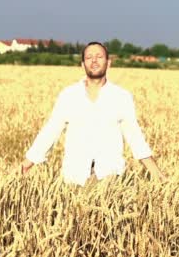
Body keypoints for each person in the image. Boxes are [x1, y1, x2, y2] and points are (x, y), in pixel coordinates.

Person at [19, 41, 166, 186]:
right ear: (82, 65)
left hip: (110, 177)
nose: (94, 61)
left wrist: (158, 176)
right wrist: (27, 163)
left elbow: (135, 137)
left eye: (99, 57)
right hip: (74, 177)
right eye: (89, 58)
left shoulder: (121, 97)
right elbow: (51, 131)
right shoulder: (69, 95)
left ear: (109, 63)